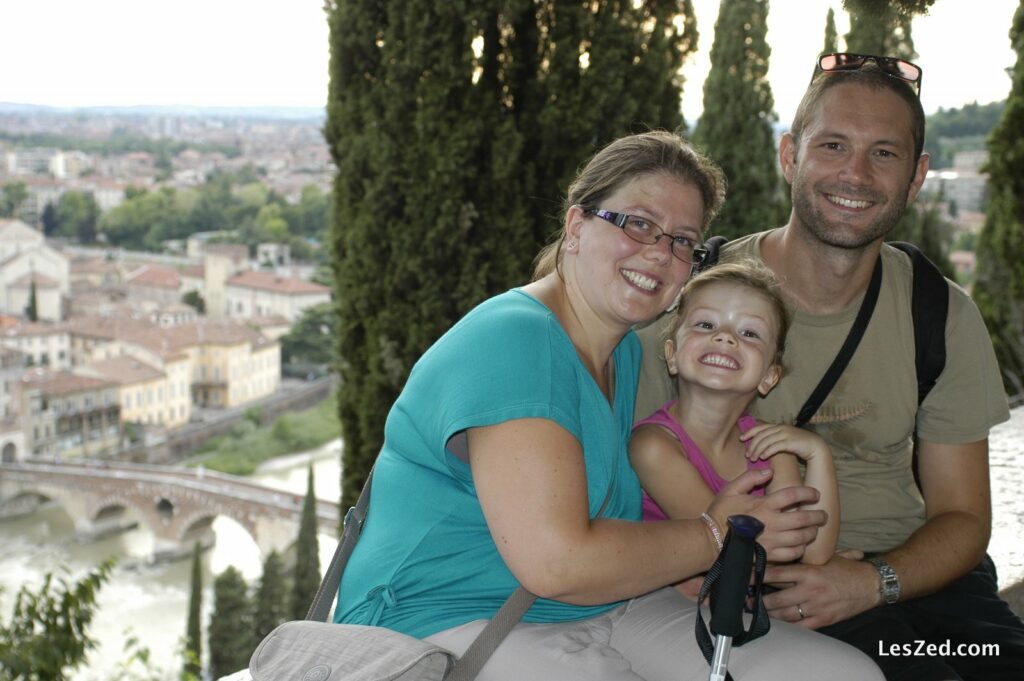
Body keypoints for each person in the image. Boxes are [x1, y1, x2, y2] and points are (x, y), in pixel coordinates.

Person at [334, 131, 883, 680]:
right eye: (638, 224)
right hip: (444, 619)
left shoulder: (621, 351)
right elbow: (557, 561)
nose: (658, 253)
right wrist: (716, 533)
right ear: (576, 226)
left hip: (607, 604)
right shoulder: (516, 344)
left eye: (682, 241)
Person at [636, 54, 1024, 681]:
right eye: (834, 145)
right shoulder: (699, 309)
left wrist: (871, 582)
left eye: (885, 154)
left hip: (908, 579)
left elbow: (964, 517)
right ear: (790, 156)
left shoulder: (937, 310)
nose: (856, 173)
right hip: (768, 586)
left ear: (918, 176)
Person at [630, 261, 839, 576]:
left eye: (749, 332)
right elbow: (726, 552)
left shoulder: (771, 448)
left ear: (769, 376)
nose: (726, 337)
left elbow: (812, 552)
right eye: (705, 325)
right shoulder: (653, 447)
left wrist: (818, 453)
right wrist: (797, 576)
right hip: (668, 603)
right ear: (672, 355)